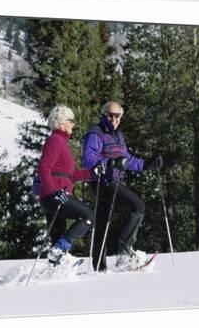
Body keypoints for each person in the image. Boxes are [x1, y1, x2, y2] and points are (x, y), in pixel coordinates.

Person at [82, 101, 162, 271]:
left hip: (114, 182)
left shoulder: (118, 135)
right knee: (138, 205)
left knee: (102, 222)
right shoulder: (95, 133)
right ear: (104, 115)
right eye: (110, 115)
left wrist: (147, 164)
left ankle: (99, 267)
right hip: (102, 182)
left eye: (117, 115)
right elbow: (87, 159)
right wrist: (110, 163)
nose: (114, 119)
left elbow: (127, 160)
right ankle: (124, 253)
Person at [37, 105, 103, 265]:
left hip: (53, 194)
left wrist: (91, 173)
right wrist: (53, 191)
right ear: (61, 123)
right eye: (71, 120)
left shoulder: (61, 142)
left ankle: (56, 267)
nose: (74, 124)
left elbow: (70, 176)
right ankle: (59, 251)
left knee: (57, 236)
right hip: (54, 195)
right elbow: (44, 168)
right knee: (88, 216)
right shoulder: (55, 141)